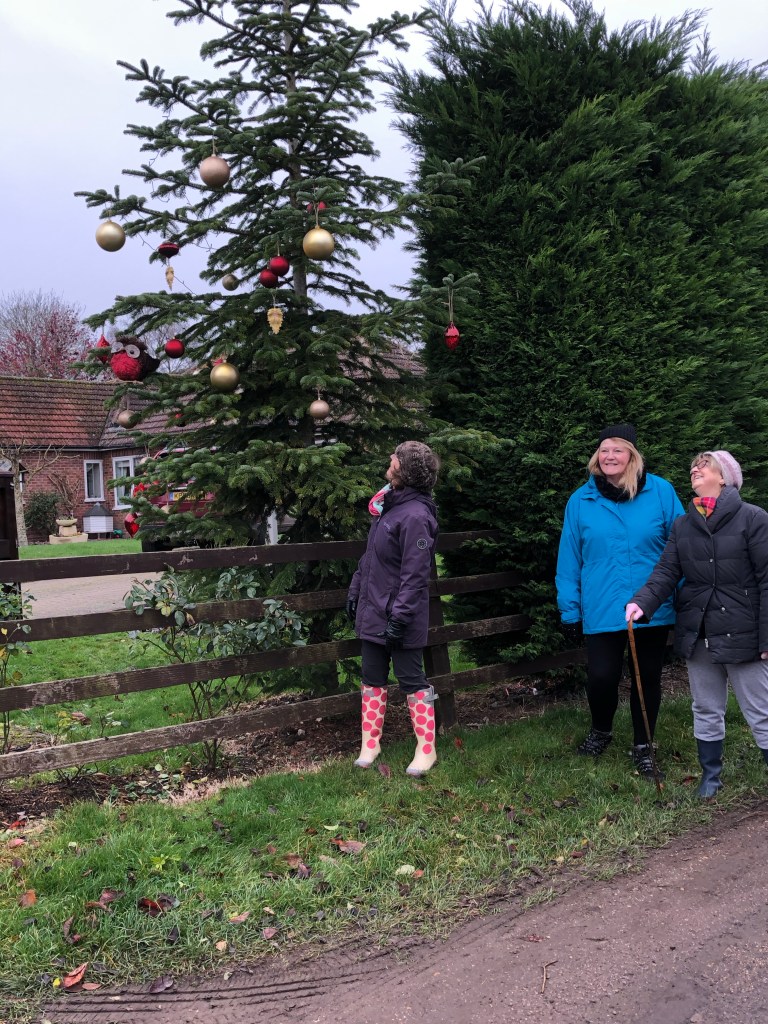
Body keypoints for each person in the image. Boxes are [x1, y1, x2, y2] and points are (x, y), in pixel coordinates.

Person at [626, 450, 768, 798]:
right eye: (693, 466)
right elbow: (666, 572)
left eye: (705, 465)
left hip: (744, 633)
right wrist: (641, 602)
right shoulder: (683, 525)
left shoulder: (753, 518)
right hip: (698, 631)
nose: (696, 469)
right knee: (705, 707)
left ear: (724, 477)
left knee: (760, 710)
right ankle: (711, 777)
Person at [556, 424, 684, 778]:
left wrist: (683, 594)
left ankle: (644, 745)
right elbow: (569, 559)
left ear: (632, 456)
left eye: (618, 450)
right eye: (604, 450)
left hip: (651, 605)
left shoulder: (660, 492)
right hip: (601, 605)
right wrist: (570, 610)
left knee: (648, 676)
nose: (609, 456)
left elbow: (680, 548)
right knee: (601, 676)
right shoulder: (581, 500)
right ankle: (601, 730)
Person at [346, 441, 440, 777]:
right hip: (373, 610)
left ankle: (426, 749)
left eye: (396, 458)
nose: (390, 459)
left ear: (407, 471)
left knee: (412, 679)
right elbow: (371, 557)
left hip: (401, 616)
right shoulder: (388, 505)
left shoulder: (416, 516)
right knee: (371, 677)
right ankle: (370, 744)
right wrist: (355, 590)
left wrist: (399, 618)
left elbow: (415, 575)